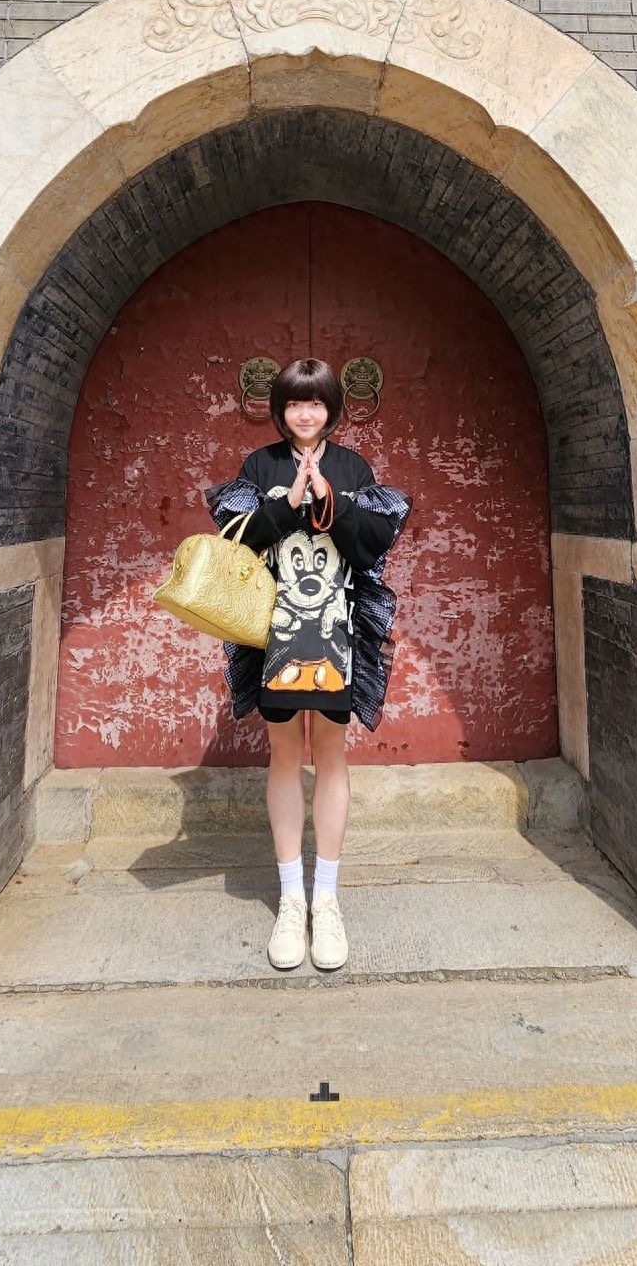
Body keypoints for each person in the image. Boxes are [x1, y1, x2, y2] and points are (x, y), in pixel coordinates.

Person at [206, 357, 410, 974]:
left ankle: (327, 897)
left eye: (316, 403)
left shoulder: (352, 467)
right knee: (284, 756)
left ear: (331, 410)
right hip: (274, 637)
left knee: (332, 754)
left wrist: (329, 498)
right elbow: (235, 542)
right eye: (295, 403)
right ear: (280, 409)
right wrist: (288, 502)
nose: (305, 413)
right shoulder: (259, 466)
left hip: (337, 635)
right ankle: (291, 898)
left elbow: (373, 546)